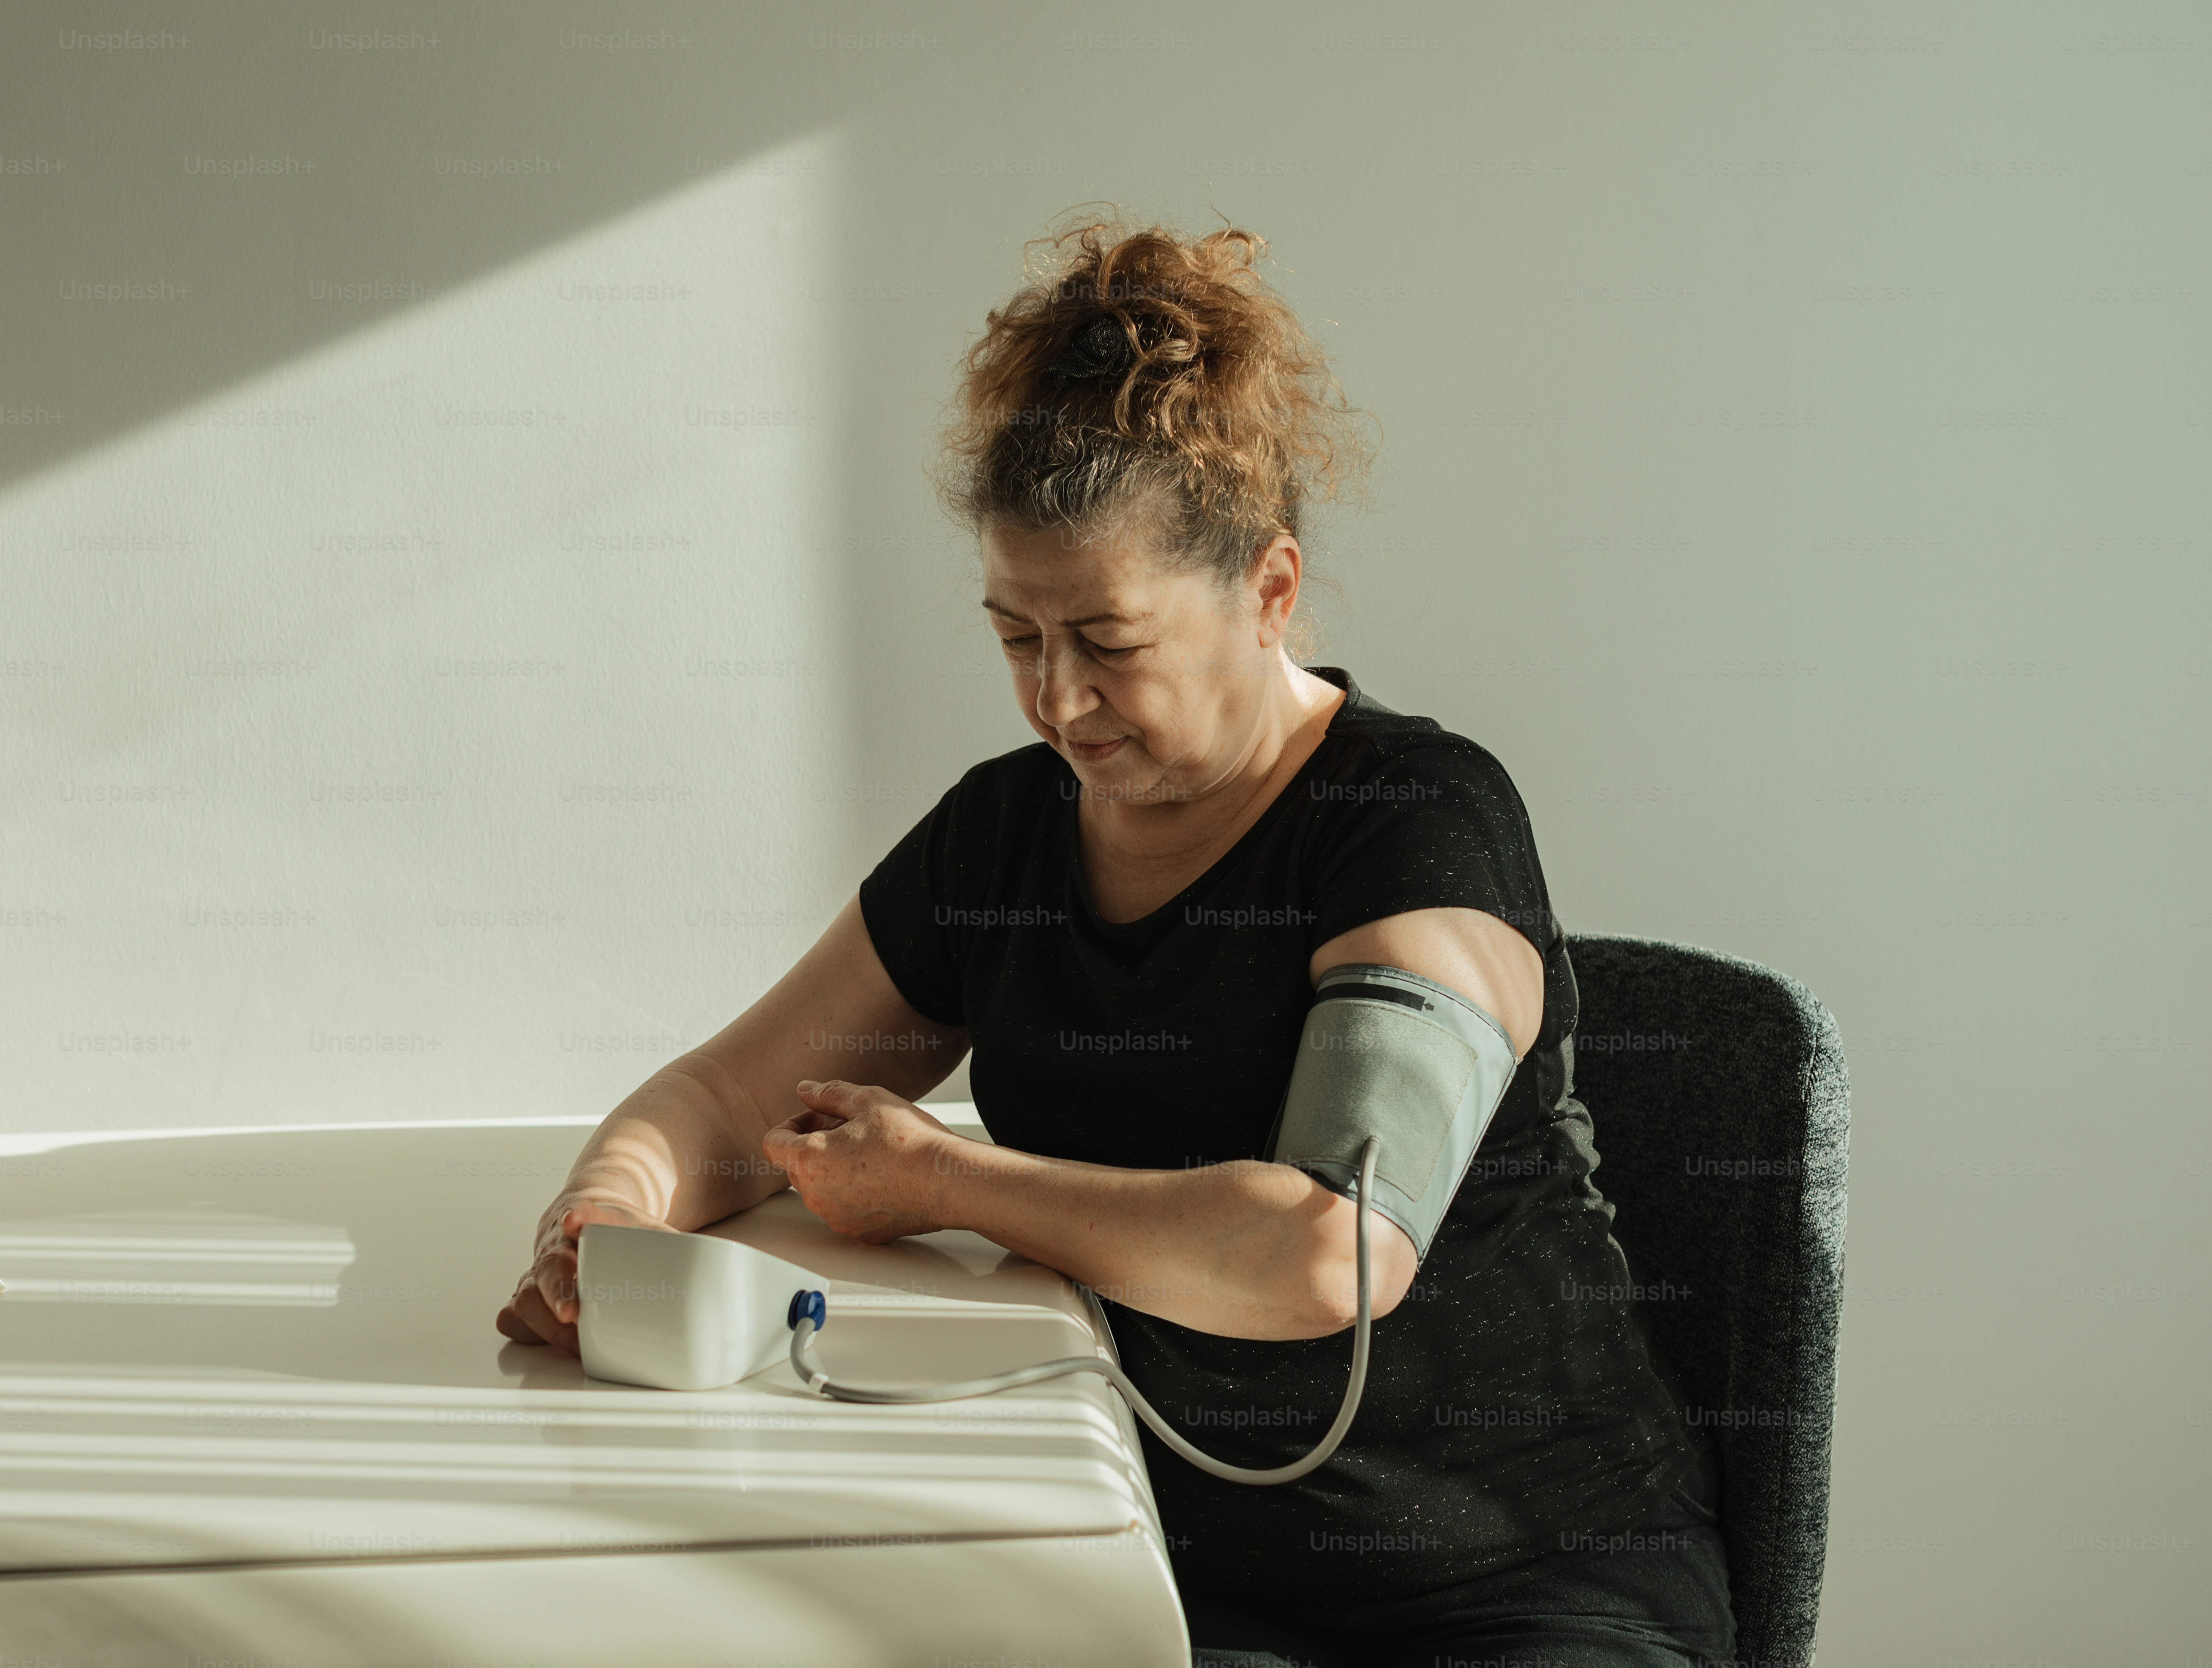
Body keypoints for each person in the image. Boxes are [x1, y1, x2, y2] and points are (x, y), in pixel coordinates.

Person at [497, 211, 1735, 1668]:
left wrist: (945, 1178)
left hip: (1522, 1595)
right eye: (1019, 638)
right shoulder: (1004, 840)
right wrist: (608, 1225)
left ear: (1270, 591)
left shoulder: (1416, 819)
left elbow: (1329, 1251)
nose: (1060, 701)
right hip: (1156, 1581)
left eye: (1110, 639)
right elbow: (721, 1101)